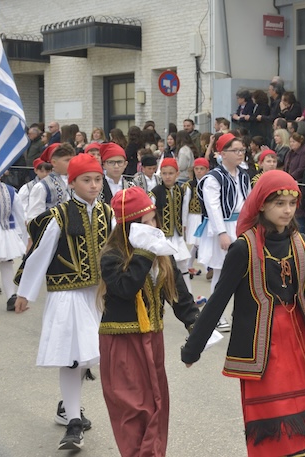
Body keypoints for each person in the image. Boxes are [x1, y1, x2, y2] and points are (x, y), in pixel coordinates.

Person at [182, 170, 305, 457]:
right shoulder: (243, 248)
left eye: (292, 203)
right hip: (261, 347)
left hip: (297, 342)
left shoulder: (299, 242)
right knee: (272, 419)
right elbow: (217, 301)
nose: (288, 210)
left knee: (299, 412)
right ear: (262, 204)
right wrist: (193, 349)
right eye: (279, 203)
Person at [13, 154, 114, 451]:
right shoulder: (59, 216)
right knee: (73, 357)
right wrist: (25, 293)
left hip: (98, 295)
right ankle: (73, 423)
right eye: (86, 180)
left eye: (97, 179)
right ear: (72, 183)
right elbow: (40, 254)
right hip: (67, 295)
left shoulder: (108, 213)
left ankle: (67, 407)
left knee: (87, 355)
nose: (93, 185)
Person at [98, 186, 198, 457]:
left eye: (154, 219)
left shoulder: (160, 253)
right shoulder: (112, 256)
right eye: (145, 223)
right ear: (128, 227)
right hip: (122, 342)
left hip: (153, 339)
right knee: (133, 408)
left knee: (157, 404)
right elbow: (125, 288)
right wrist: (144, 252)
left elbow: (179, 296)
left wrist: (196, 330)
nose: (153, 227)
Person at [197, 133, 251, 331]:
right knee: (221, 273)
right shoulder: (213, 178)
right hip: (223, 227)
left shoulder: (243, 174)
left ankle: (240, 314)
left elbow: (249, 201)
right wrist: (221, 233)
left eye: (242, 150)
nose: (240, 154)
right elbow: (213, 208)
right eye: (235, 150)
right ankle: (215, 316)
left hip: (241, 226)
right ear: (222, 153)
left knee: (244, 273)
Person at [151, 158, 195, 294]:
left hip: (177, 234)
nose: (167, 176)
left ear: (177, 174)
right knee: (161, 265)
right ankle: (160, 294)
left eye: (171, 173)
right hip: (163, 236)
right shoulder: (155, 192)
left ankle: (188, 294)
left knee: (182, 264)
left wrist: (184, 227)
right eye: (164, 173)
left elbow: (184, 210)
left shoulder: (180, 191)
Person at [0, 177, 27, 309]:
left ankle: (11, 297)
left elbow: (19, 215)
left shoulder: (10, 191)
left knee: (6, 263)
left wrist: (21, 236)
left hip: (4, 232)